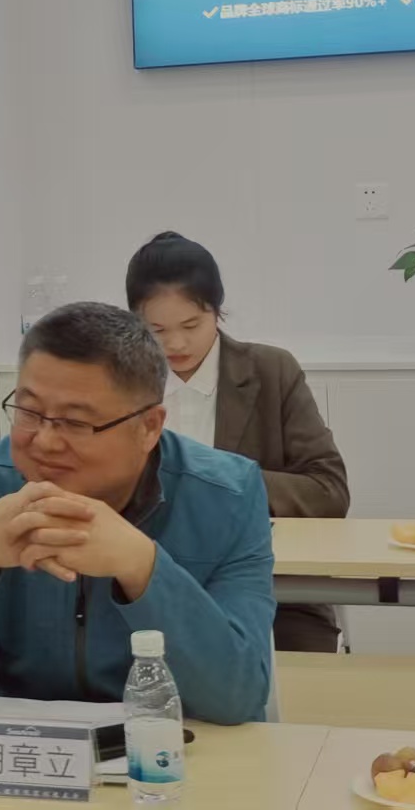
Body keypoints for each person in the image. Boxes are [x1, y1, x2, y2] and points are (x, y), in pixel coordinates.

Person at [0, 302, 274, 726]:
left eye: (76, 423)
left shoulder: (226, 496)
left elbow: (237, 698)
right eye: (29, 412)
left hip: (171, 750)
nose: (45, 442)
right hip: (19, 751)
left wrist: (141, 566)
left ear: (149, 427)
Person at [127, 231, 349, 653]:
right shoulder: (120, 384)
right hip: (145, 595)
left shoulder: (271, 371)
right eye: (156, 330)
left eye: (191, 325)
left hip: (275, 595)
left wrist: (218, 484)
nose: (176, 344)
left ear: (217, 310)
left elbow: (328, 490)